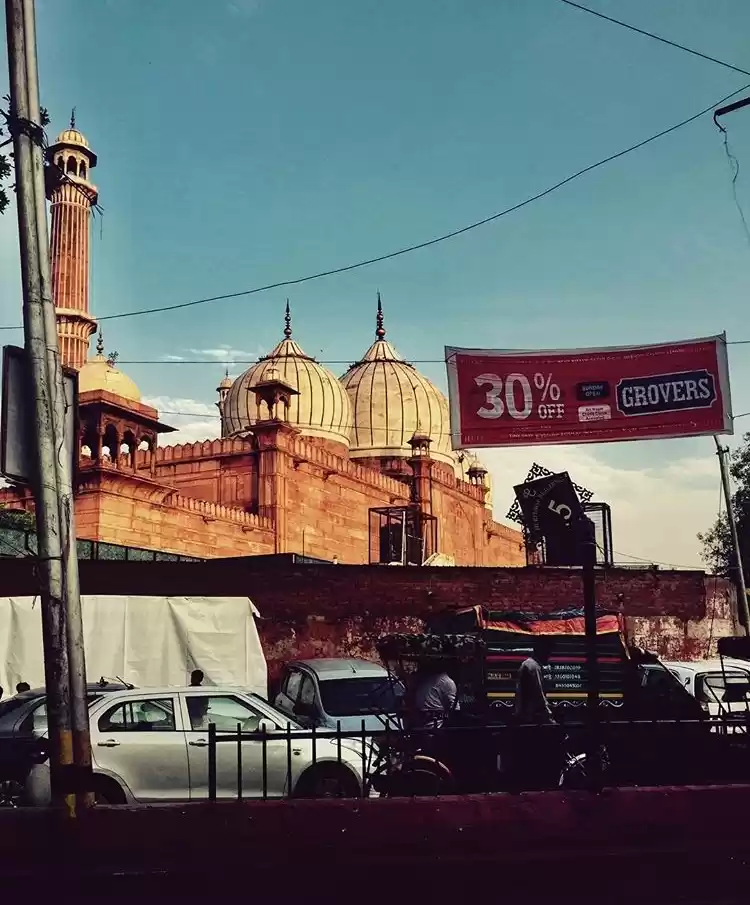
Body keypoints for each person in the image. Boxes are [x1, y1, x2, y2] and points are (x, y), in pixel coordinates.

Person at [512, 637, 559, 790]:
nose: (549, 656)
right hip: (531, 722)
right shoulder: (533, 667)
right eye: (548, 651)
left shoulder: (529, 664)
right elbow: (539, 697)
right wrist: (551, 720)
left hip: (525, 719)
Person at [412, 660, 457, 729]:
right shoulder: (446, 681)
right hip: (436, 724)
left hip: (421, 723)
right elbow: (455, 710)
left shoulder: (425, 680)